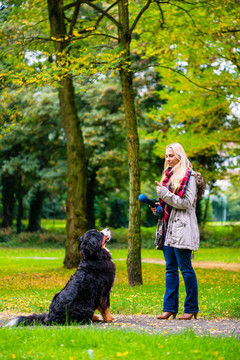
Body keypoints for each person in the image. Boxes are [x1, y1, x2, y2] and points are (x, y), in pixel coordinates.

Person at [152, 142, 205, 320]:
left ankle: (191, 308)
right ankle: (169, 308)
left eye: (171, 156)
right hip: (167, 229)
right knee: (170, 269)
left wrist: (165, 194)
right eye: (166, 156)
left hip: (182, 229)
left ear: (179, 157)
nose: (168, 159)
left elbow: (187, 203)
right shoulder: (168, 176)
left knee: (185, 268)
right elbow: (170, 204)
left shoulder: (189, 176)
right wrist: (159, 208)